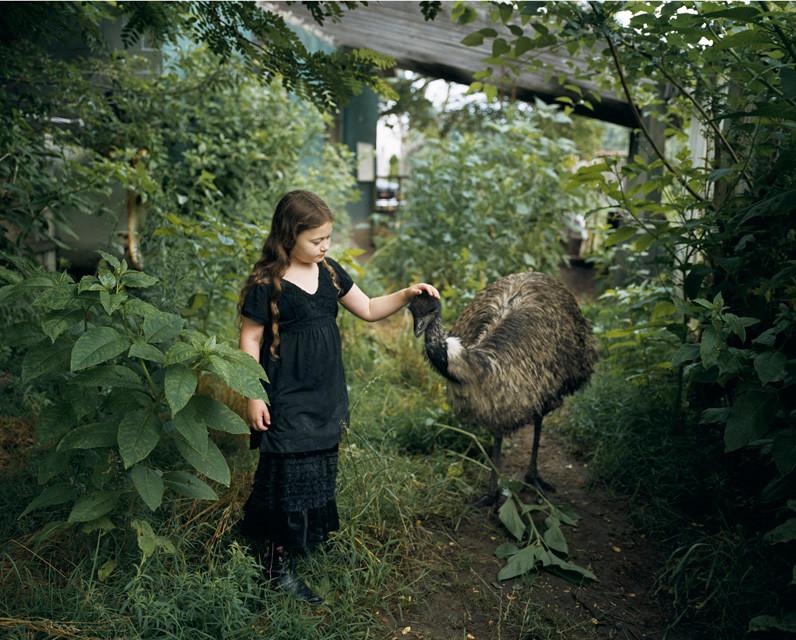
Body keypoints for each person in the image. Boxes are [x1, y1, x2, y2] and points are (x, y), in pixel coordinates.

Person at [237, 190, 439, 605]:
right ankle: (277, 564)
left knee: (318, 462)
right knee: (287, 472)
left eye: (328, 238)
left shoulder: (329, 272)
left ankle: (305, 540)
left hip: (325, 392)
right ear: (288, 236)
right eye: (316, 240)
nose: (325, 246)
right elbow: (250, 338)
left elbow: (366, 307)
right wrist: (252, 394)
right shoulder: (267, 283)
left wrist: (404, 295)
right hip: (286, 393)